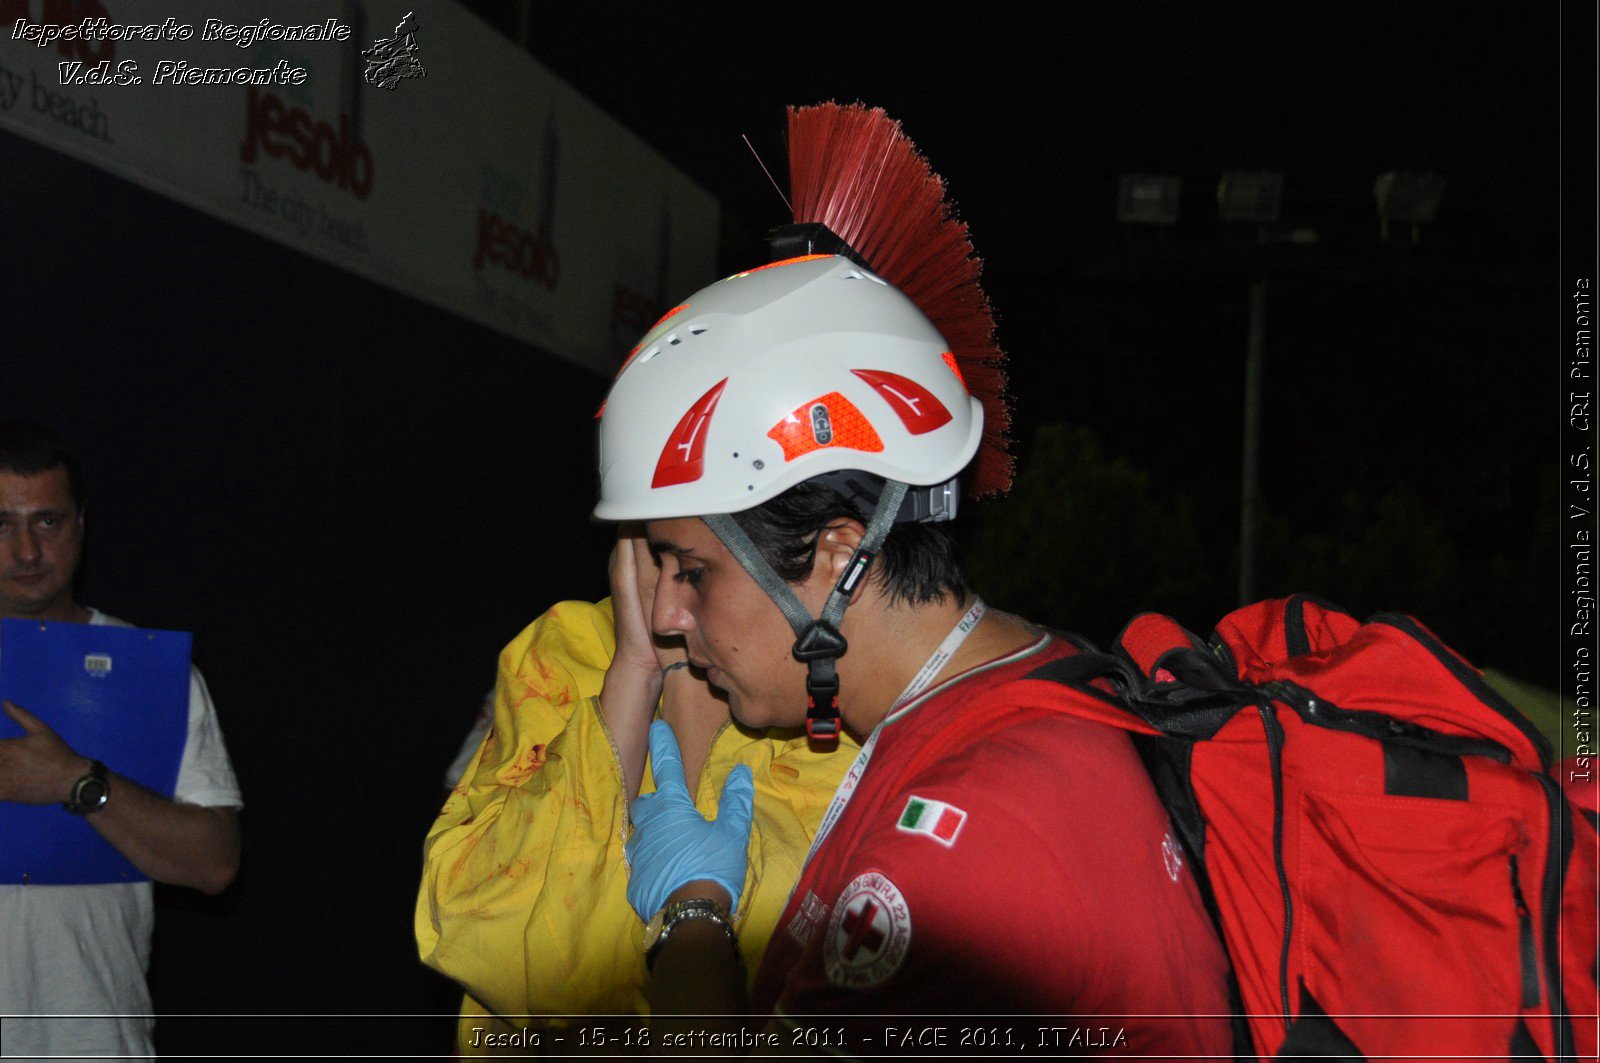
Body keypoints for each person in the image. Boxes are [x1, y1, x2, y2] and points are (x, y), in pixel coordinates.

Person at [596, 251, 1234, 1049]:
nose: (665, 614)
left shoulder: (954, 861)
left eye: (692, 572)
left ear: (840, 554)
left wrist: (693, 912)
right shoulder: (1034, 677)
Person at [415, 548, 859, 1045]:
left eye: (694, 567)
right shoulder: (564, 647)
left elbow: (752, 957)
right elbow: (490, 941)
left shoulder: (822, 683)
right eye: (656, 547)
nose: (670, 603)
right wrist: (636, 668)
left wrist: (685, 684)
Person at [0, 421, 242, 1061]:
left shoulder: (154, 672)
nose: (25, 551)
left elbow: (215, 864)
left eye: (46, 522)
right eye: (0, 524)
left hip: (91, 1039)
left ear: (80, 524)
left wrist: (76, 783)